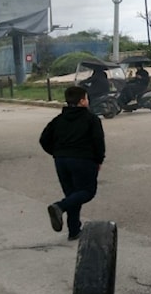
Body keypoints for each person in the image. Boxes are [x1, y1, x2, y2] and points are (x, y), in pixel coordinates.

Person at [39, 85, 106, 241]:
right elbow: (98, 142)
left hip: (61, 161)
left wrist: (56, 153)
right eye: (86, 98)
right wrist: (99, 160)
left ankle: (74, 230)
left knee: (72, 195)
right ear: (82, 101)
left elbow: (43, 140)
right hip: (83, 160)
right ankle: (59, 207)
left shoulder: (58, 120)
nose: (88, 101)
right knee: (87, 192)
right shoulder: (91, 119)